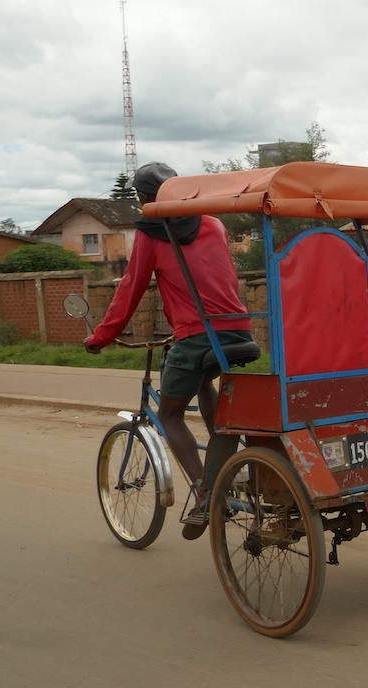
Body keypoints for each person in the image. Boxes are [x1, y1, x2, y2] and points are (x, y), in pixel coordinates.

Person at [84, 162, 254, 538]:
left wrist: (100, 337)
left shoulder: (152, 235)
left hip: (196, 336)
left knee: (172, 414)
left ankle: (205, 491)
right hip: (239, 329)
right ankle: (224, 455)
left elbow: (130, 290)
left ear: (146, 198)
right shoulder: (213, 223)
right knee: (204, 381)